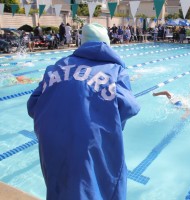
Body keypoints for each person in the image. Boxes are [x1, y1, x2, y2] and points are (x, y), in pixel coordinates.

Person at [27, 23, 140, 200]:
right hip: (90, 139)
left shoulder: (59, 65)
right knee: (94, 188)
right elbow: (130, 107)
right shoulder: (115, 70)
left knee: (59, 188)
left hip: (51, 138)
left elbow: (33, 104)